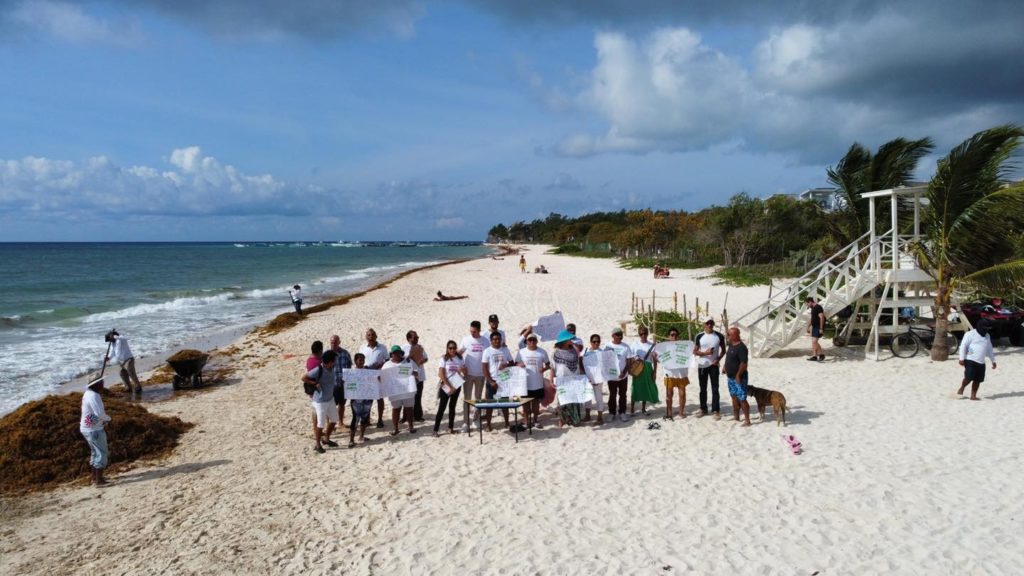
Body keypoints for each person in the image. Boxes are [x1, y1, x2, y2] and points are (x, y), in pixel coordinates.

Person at [302, 349, 339, 453]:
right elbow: (304, 378)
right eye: (334, 360)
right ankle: (317, 445)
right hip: (320, 401)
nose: (335, 362)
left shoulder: (332, 368)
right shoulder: (318, 370)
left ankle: (326, 439)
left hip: (330, 398)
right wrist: (314, 384)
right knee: (321, 424)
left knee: (334, 420)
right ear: (330, 361)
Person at [80, 375, 112, 487]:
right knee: (102, 453)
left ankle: (95, 478)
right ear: (96, 384)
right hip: (94, 430)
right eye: (101, 382)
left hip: (86, 427)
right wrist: (109, 419)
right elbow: (99, 414)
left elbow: (93, 414)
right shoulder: (94, 396)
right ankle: (99, 481)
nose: (103, 383)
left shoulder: (87, 393)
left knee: (94, 452)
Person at [458, 320, 489, 433]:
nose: (472, 333)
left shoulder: (485, 341)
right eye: (471, 331)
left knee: (478, 398)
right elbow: (458, 354)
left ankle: (476, 419)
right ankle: (466, 422)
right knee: (467, 398)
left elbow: (489, 356)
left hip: (481, 374)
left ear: (479, 330)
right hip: (468, 374)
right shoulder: (466, 340)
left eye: (475, 331)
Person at [550, 330, 585, 427]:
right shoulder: (555, 353)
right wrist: (551, 379)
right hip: (562, 380)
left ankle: (574, 419)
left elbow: (579, 364)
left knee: (574, 400)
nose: (571, 340)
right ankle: (562, 420)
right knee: (563, 400)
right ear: (564, 340)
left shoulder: (575, 350)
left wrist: (583, 376)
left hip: (574, 379)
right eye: (569, 339)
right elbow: (552, 367)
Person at [515, 333, 550, 428]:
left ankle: (535, 420)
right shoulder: (521, 352)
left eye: (534, 340)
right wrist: (519, 365)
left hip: (537, 383)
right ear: (526, 341)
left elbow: (548, 364)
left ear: (537, 341)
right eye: (529, 340)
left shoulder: (542, 352)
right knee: (525, 403)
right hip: (525, 383)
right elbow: (515, 364)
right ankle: (526, 421)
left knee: (535, 403)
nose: (532, 342)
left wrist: (544, 369)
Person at [694, 319, 726, 420]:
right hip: (702, 365)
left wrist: (718, 359)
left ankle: (716, 410)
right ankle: (703, 408)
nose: (709, 325)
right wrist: (705, 353)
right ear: (703, 324)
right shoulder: (699, 336)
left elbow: (724, 350)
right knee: (702, 388)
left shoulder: (719, 336)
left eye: (711, 323)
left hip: (714, 365)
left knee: (715, 388)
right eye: (707, 323)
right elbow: (695, 351)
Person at [481, 331, 514, 431]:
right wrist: (491, 382)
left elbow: (512, 363)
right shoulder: (487, 351)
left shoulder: (505, 350)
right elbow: (484, 368)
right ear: (491, 341)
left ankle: (507, 422)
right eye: (495, 339)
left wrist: (506, 365)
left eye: (499, 339)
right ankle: (488, 424)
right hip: (491, 381)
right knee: (489, 404)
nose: (497, 341)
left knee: (505, 403)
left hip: (503, 381)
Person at [957, 319, 997, 401]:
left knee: (977, 380)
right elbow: (963, 346)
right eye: (985, 328)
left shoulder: (987, 336)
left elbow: (989, 349)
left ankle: (973, 396)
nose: (986, 330)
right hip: (970, 359)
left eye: (987, 329)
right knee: (968, 378)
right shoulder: (970, 334)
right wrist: (961, 358)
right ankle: (962, 387)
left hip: (981, 362)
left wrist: (993, 361)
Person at [382, 346, 417, 435]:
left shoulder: (408, 362)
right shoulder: (387, 365)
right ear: (391, 354)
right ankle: (396, 428)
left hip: (407, 390)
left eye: (398, 352)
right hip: (394, 392)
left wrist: (412, 372)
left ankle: (411, 427)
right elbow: (383, 377)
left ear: (401, 353)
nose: (396, 354)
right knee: (396, 410)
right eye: (394, 353)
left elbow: (416, 372)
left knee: (409, 409)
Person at [434, 340, 466, 436]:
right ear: (447, 349)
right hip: (446, 386)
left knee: (452, 407)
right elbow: (441, 374)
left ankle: (450, 428)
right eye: (450, 348)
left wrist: (463, 370)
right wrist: (450, 386)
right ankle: (435, 430)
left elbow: (465, 372)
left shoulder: (460, 358)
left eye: (454, 348)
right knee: (442, 408)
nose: (452, 350)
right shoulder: (444, 359)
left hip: (457, 385)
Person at [359, 329, 389, 428]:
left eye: (372, 335)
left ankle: (380, 419)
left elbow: (388, 360)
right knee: (367, 399)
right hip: (366, 376)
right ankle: (367, 419)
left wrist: (381, 366)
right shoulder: (362, 348)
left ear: (376, 336)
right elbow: (359, 361)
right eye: (368, 335)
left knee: (380, 399)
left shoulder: (382, 347)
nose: (370, 337)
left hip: (379, 376)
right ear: (366, 337)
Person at [723, 327, 751, 426]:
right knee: (733, 396)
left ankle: (747, 420)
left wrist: (738, 375)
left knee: (742, 398)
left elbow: (744, 364)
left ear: (735, 335)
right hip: (730, 377)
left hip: (739, 378)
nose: (727, 336)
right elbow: (728, 357)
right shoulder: (731, 344)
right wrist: (724, 367)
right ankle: (736, 417)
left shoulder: (742, 348)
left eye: (729, 335)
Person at [658, 327, 689, 420]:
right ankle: (670, 412)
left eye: (676, 335)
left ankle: (681, 412)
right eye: (672, 335)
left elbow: (689, 356)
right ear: (668, 336)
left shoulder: (683, 346)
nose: (674, 337)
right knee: (669, 394)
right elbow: (660, 359)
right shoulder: (664, 347)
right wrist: (655, 357)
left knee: (682, 393)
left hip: (681, 373)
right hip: (669, 373)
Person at [630, 325, 659, 415]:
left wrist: (654, 372)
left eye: (645, 333)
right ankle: (632, 409)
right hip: (638, 368)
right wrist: (635, 359)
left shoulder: (652, 345)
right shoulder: (635, 344)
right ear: (639, 334)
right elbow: (631, 357)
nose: (643, 335)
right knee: (635, 387)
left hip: (648, 368)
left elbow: (655, 360)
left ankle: (643, 408)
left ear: (647, 334)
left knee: (646, 387)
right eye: (641, 334)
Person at [606, 327, 632, 422]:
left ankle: (622, 412)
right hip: (612, 376)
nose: (619, 336)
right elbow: (605, 361)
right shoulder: (608, 346)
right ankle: (612, 413)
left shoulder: (626, 346)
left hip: (623, 376)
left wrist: (624, 372)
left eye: (621, 335)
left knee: (623, 395)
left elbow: (629, 361)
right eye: (617, 335)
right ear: (612, 336)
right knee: (612, 395)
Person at [402, 330, 429, 422]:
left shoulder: (420, 347)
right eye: (415, 338)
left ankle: (418, 416)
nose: (417, 339)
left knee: (418, 396)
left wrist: (421, 361)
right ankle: (405, 417)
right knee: (407, 397)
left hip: (419, 375)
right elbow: (400, 360)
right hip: (408, 376)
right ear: (409, 338)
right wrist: (409, 356)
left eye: (417, 337)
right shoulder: (403, 348)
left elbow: (426, 358)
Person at [348, 353, 373, 447]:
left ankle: (362, 436)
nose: (362, 362)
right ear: (355, 361)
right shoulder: (351, 372)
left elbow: (373, 380)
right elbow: (347, 384)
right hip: (356, 400)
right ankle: (351, 439)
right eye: (360, 360)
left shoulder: (368, 370)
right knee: (355, 419)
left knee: (365, 418)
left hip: (367, 398)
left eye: (363, 360)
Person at [104, 330, 141, 394]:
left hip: (128, 359)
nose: (110, 341)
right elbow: (112, 352)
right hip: (121, 361)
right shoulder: (113, 343)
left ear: (112, 336)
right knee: (122, 373)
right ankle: (128, 387)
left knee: (131, 373)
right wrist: (108, 357)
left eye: (110, 340)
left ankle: (138, 387)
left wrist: (115, 336)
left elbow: (122, 337)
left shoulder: (121, 339)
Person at [583, 334, 609, 425]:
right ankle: (587, 415)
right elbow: (583, 366)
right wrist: (587, 378)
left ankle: (600, 417)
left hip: (598, 379)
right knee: (587, 398)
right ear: (591, 342)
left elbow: (605, 367)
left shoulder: (603, 353)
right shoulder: (585, 352)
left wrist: (598, 379)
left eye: (598, 341)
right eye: (594, 341)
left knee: (599, 398)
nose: (596, 343)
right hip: (587, 379)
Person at [329, 335, 352, 426]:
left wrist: (347, 378)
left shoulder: (345, 353)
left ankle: (341, 422)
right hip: (331, 384)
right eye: (332, 342)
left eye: (335, 342)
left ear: (339, 342)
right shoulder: (327, 353)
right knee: (330, 405)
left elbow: (349, 366)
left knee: (342, 404)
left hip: (343, 383)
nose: (333, 344)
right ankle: (329, 424)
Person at [806, 297, 826, 361]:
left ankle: (820, 355)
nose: (807, 306)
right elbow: (812, 318)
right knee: (814, 342)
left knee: (814, 341)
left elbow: (822, 318)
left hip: (818, 326)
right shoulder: (813, 308)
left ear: (810, 302)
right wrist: (808, 326)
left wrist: (821, 328)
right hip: (814, 326)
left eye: (807, 304)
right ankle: (815, 355)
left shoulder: (818, 307)